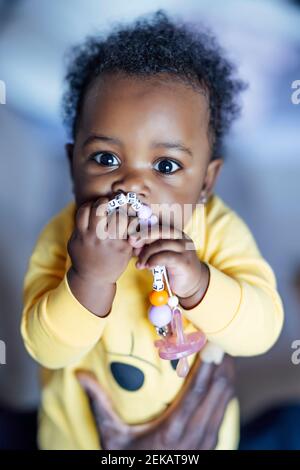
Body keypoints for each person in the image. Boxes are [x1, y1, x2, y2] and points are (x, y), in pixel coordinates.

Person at [20, 10, 284, 450]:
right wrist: (88, 278)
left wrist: (200, 284)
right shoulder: (67, 237)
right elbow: (46, 349)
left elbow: (260, 332)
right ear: (72, 165)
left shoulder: (215, 230)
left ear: (206, 182)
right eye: (105, 159)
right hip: (76, 439)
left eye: (165, 166)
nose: (132, 185)